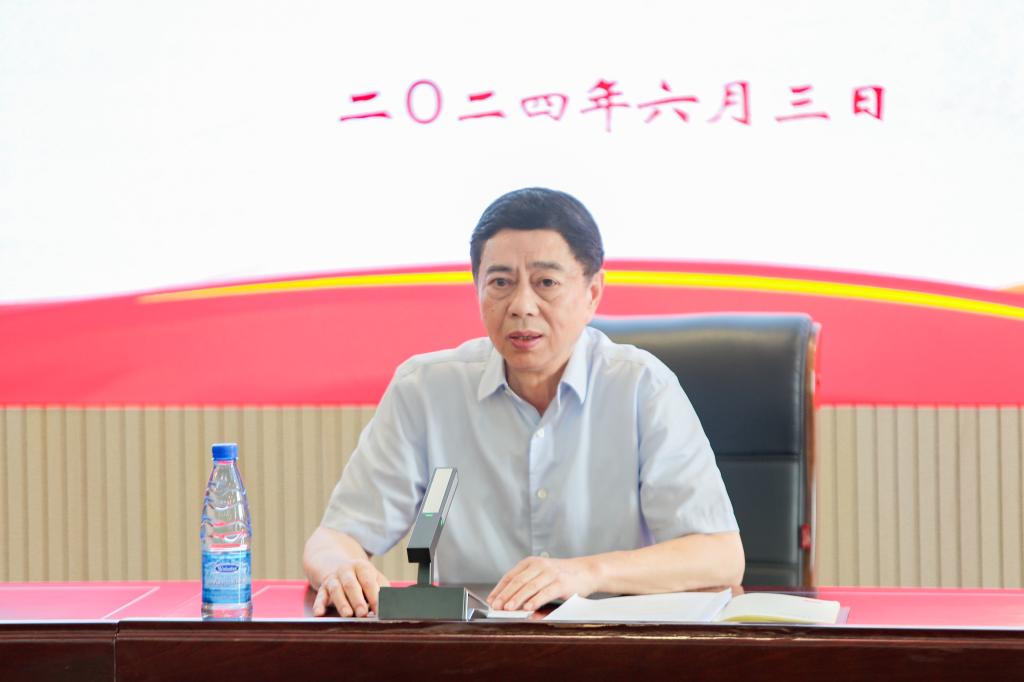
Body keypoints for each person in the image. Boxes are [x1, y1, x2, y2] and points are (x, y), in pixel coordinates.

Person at [303, 187, 744, 617]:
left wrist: (586, 573)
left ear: (592, 293)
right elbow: (333, 539)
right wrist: (344, 569)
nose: (521, 306)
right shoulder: (424, 390)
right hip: (473, 646)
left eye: (546, 282)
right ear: (477, 289)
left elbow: (721, 557)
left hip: (611, 641)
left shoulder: (642, 387)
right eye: (501, 283)